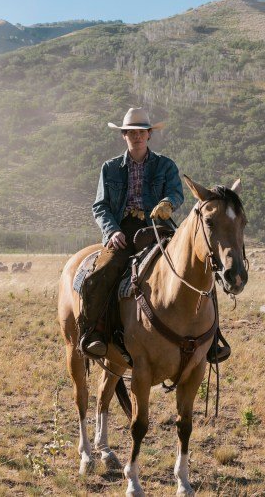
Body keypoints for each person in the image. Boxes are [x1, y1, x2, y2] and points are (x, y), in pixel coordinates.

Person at [78, 107, 184, 358]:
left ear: (149, 135)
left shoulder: (166, 165)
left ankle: (211, 337)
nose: (137, 136)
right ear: (123, 135)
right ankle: (95, 333)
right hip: (122, 230)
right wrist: (112, 231)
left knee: (195, 266)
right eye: (131, 132)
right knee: (101, 273)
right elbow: (100, 206)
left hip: (157, 228)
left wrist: (168, 203)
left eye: (141, 132)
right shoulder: (110, 168)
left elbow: (176, 192)